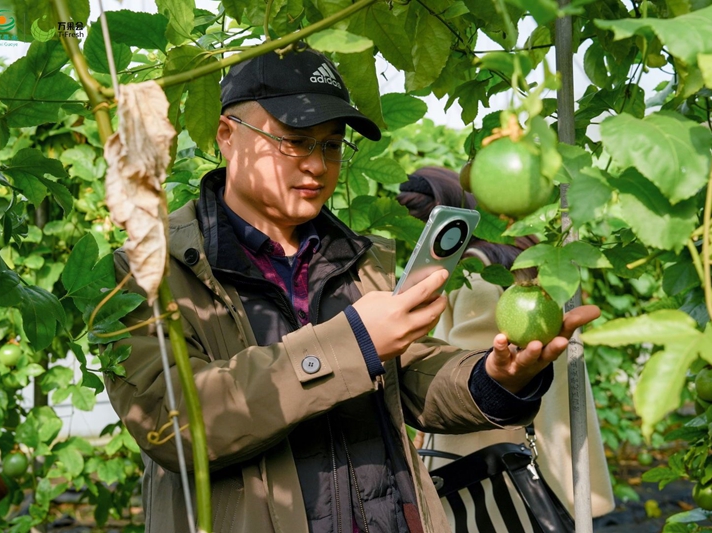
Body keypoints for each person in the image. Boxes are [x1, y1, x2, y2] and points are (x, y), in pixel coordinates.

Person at [104, 45, 601, 533]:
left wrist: (492, 378)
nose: (317, 166)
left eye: (332, 145)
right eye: (295, 141)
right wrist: (354, 343)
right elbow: (172, 427)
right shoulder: (146, 272)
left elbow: (412, 375)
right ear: (227, 136)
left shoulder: (364, 259)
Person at [397, 166, 615, 517]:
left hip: (496, 457)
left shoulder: (475, 272)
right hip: (553, 442)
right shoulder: (530, 255)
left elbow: (477, 376)